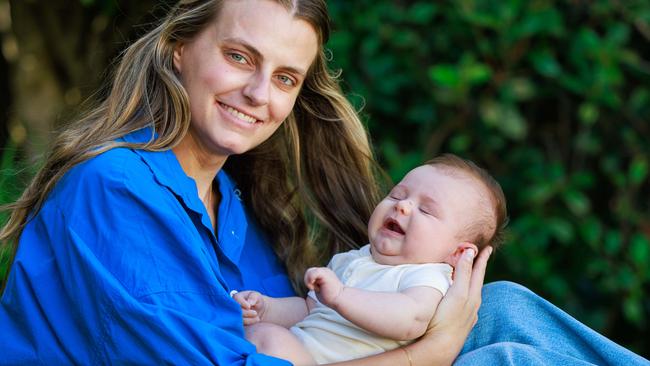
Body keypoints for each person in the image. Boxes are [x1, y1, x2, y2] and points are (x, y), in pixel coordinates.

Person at [0, 0, 646, 365]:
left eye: (285, 78)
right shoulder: (115, 188)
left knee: (504, 309)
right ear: (178, 49)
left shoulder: (239, 209)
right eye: (239, 57)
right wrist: (438, 346)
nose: (258, 94)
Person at [232, 155, 508, 365]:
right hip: (302, 352)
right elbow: (308, 309)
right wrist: (266, 308)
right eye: (397, 194)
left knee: (271, 341)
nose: (403, 205)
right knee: (263, 331)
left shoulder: (428, 277)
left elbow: (410, 318)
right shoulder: (353, 259)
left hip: (318, 359)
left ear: (458, 254)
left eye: (426, 210)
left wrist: (341, 296)